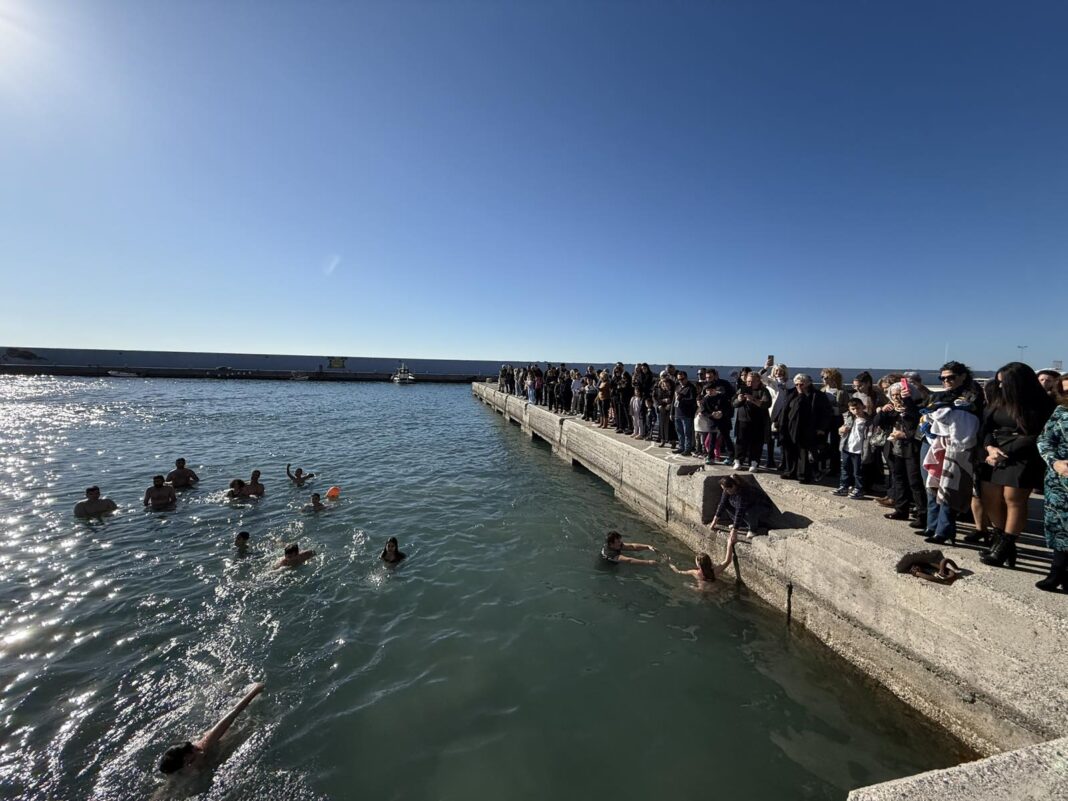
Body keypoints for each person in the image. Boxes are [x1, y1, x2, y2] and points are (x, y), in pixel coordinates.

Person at [979, 363, 1056, 568]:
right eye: (999, 382)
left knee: (1013, 498)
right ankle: (1001, 536)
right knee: (989, 495)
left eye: (1005, 383)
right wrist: (990, 448)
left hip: (1023, 454)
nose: (1001, 386)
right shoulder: (998, 401)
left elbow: (1036, 434)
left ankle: (1006, 544)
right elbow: (986, 426)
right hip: (994, 451)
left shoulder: (1040, 404)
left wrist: (1006, 453)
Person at [158, 682, 266, 774]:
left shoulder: (206, 744)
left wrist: (255, 690)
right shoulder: (177, 777)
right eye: (192, 761)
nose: (201, 753)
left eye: (196, 750)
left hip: (235, 729)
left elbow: (234, 712)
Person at [1036, 374, 1068, 591]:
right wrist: (1054, 462)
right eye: (1065, 391)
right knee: (1059, 527)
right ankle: (1057, 572)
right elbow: (1044, 439)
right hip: (1059, 478)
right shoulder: (1061, 412)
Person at [778, 374, 833, 484]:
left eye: (801, 384)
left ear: (808, 383)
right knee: (790, 450)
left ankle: (803, 475)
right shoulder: (791, 393)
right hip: (791, 427)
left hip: (808, 428)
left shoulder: (817, 395)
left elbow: (826, 413)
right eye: (797, 384)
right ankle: (791, 471)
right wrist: (779, 423)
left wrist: (821, 428)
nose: (799, 386)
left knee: (804, 453)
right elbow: (784, 409)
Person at [732, 371, 771, 473]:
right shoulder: (742, 389)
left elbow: (767, 404)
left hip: (758, 421)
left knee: (756, 443)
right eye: (748, 381)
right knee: (740, 442)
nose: (750, 383)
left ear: (758, 381)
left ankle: (754, 463)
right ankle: (738, 461)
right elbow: (734, 403)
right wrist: (739, 399)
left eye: (752, 381)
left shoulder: (763, 390)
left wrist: (753, 399)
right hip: (742, 420)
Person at [668, 530, 739, 586]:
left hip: (701, 589)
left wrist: (672, 565)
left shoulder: (695, 573)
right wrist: (729, 543)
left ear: (698, 564)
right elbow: (727, 561)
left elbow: (679, 572)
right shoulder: (714, 571)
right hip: (713, 588)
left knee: (689, 585)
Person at [834, 397, 872, 499]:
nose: (856, 411)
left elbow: (870, 436)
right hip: (847, 448)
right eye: (853, 409)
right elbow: (841, 430)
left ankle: (859, 489)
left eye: (858, 408)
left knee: (858, 472)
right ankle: (844, 486)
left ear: (863, 407)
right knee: (845, 469)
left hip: (859, 450)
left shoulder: (868, 421)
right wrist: (841, 430)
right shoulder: (850, 418)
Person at [673, 370, 697, 456]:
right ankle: (681, 447)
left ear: (686, 378)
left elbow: (692, 401)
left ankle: (687, 449)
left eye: (682, 379)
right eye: (679, 379)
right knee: (679, 432)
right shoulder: (677, 387)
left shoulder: (691, 388)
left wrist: (681, 399)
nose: (680, 381)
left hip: (686, 414)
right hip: (677, 413)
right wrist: (672, 413)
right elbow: (674, 401)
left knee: (687, 432)